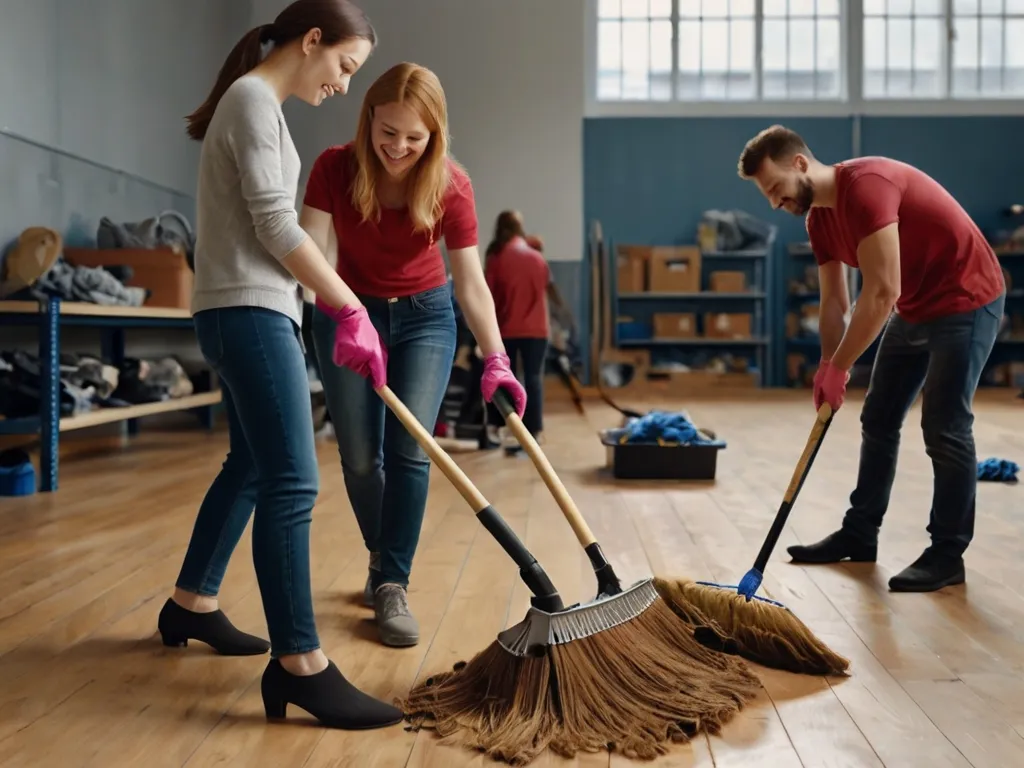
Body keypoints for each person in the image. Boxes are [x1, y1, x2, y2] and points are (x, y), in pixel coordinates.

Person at [157, 0, 404, 731]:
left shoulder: (257, 103)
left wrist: (324, 299)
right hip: (249, 312)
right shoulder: (254, 102)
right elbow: (274, 222)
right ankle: (301, 665)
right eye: (344, 67)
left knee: (253, 466)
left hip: (243, 309)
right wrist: (348, 305)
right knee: (294, 478)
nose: (343, 85)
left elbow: (271, 225)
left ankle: (191, 603)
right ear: (313, 40)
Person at [299, 62, 527, 648]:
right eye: (388, 131)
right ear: (368, 119)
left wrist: (496, 357)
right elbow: (310, 254)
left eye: (414, 136)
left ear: (435, 134)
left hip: (426, 315)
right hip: (348, 311)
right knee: (357, 456)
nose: (398, 147)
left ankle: (392, 581)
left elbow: (470, 282)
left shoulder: (451, 185)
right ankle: (384, 558)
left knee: (412, 452)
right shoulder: (333, 168)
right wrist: (343, 312)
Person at [736, 125, 1006, 593]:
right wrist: (826, 364)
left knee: (944, 426)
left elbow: (882, 292)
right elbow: (834, 304)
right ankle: (861, 534)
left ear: (800, 163)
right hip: (917, 305)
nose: (775, 203)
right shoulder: (818, 221)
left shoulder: (866, 187)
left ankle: (947, 553)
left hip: (966, 296)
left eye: (776, 189)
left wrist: (842, 366)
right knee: (878, 418)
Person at [484, 210, 553, 445]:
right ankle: (535, 431)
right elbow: (545, 284)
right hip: (537, 329)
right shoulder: (537, 258)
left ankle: (499, 426)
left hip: (506, 328)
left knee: (501, 377)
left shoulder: (496, 256)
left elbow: (488, 295)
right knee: (534, 378)